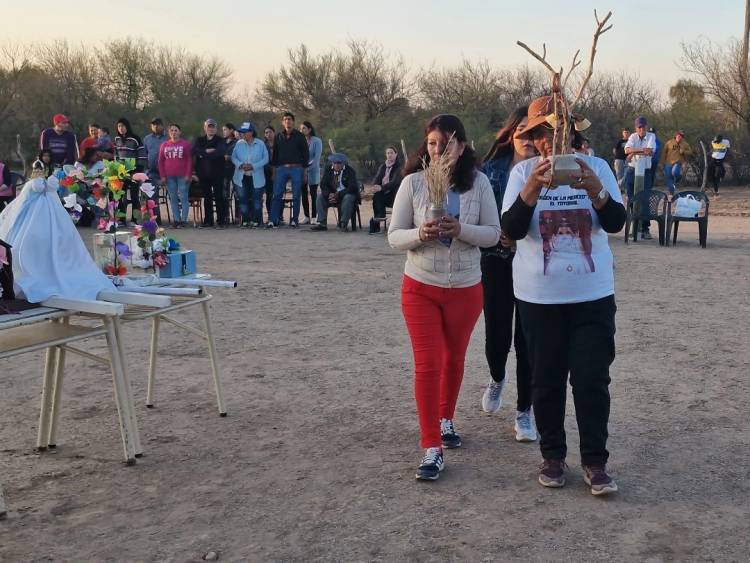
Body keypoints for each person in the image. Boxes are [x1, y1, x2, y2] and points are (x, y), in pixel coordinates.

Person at [502, 95, 626, 496]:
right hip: (539, 296)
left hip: (592, 293)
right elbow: (513, 229)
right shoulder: (523, 173)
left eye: (555, 132)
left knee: (592, 377)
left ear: (571, 132)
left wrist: (595, 189)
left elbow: (616, 222)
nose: (548, 141)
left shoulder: (600, 168)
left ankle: (595, 462)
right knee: (546, 379)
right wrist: (533, 190)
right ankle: (553, 455)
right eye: (541, 134)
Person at [388, 114, 500, 481]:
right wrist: (421, 233)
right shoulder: (413, 184)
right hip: (420, 286)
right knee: (428, 363)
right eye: (433, 143)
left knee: (454, 359)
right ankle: (431, 446)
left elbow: (493, 234)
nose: (439, 150)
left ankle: (445, 419)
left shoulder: (479, 184)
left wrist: (462, 229)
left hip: (466, 288)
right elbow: (394, 236)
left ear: (462, 146)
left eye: (447, 143)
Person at [478, 106, 536, 442]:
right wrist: (496, 232)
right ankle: (497, 377)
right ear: (510, 135)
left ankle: (524, 412)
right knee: (497, 336)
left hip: (532, 264)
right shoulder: (490, 172)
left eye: (534, 133)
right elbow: (481, 213)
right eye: (522, 132)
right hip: (497, 260)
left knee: (527, 339)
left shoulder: (548, 170)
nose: (527, 139)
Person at [268, 112, 309, 228]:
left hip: (297, 168)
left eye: (290, 119)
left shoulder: (300, 136)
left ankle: (294, 220)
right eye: (285, 119)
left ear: (293, 121)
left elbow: (306, 154)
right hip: (281, 169)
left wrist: (305, 172)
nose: (287, 121)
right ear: (282, 122)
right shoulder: (278, 136)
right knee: (277, 195)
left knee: (296, 195)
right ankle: (273, 220)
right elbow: (275, 155)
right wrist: (274, 172)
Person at [231, 122, 269, 228]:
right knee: (242, 199)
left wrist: (253, 166)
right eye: (241, 132)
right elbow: (233, 157)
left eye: (244, 132)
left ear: (251, 132)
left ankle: (257, 220)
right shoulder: (238, 144)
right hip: (241, 176)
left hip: (256, 176)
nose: (242, 134)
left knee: (257, 199)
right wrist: (240, 165)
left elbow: (265, 159)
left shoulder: (260, 144)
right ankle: (246, 220)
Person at [624, 116, 656, 239]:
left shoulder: (651, 136)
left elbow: (650, 151)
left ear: (646, 127)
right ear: (636, 128)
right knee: (631, 198)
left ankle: (645, 229)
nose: (641, 129)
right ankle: (635, 227)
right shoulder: (632, 136)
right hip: (633, 170)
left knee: (645, 199)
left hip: (646, 171)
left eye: (643, 127)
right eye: (639, 127)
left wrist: (633, 152)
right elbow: (626, 150)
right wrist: (633, 152)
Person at [193, 118, 227, 228]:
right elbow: (194, 151)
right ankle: (208, 220)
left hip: (218, 174)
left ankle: (221, 220)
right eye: (209, 126)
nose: (211, 129)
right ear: (205, 128)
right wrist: (206, 152)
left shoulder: (220, 140)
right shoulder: (199, 140)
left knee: (218, 197)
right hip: (203, 174)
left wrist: (203, 154)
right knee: (207, 198)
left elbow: (220, 152)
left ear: (216, 129)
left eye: (213, 127)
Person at [311, 153, 359, 232]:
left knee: (348, 198)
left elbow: (352, 187)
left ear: (343, 163)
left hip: (345, 195)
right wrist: (329, 194)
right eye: (335, 163)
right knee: (320, 197)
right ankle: (322, 223)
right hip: (332, 195)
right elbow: (323, 184)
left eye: (339, 163)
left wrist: (339, 194)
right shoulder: (328, 170)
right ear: (332, 162)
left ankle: (343, 223)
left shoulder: (350, 171)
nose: (336, 165)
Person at [158, 123, 193, 228]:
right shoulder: (164, 145)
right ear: (169, 133)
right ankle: (176, 220)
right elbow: (160, 161)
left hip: (182, 176)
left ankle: (184, 220)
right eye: (172, 130)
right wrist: (163, 176)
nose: (174, 132)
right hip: (169, 176)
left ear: (180, 132)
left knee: (183, 197)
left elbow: (190, 160)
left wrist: (188, 174)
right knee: (173, 198)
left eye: (176, 130)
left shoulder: (185, 144)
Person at [114, 117, 146, 224]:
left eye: (123, 126)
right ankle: (121, 219)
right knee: (120, 196)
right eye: (119, 126)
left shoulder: (135, 139)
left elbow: (141, 154)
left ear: (127, 126)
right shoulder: (117, 139)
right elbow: (116, 155)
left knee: (134, 196)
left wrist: (138, 170)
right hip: (121, 172)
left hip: (134, 172)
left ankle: (135, 219)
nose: (121, 128)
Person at [369, 146, 403, 234]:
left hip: (394, 195)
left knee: (380, 194)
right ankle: (377, 223)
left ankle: (379, 218)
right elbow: (377, 177)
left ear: (396, 154)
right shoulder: (383, 166)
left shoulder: (399, 167)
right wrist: (375, 186)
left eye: (391, 153)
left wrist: (381, 188)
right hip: (383, 194)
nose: (390, 155)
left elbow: (394, 182)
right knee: (376, 196)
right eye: (388, 153)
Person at [143, 118, 168, 222]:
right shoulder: (147, 139)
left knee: (154, 194)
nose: (156, 127)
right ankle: (154, 218)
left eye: (158, 124)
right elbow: (144, 155)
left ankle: (156, 218)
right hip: (151, 172)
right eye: (153, 125)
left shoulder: (167, 138)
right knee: (150, 193)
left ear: (162, 125)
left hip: (165, 172)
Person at [300, 121, 322, 225]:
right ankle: (306, 216)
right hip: (302, 171)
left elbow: (316, 157)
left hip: (313, 170)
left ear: (309, 129)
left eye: (304, 128)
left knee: (313, 194)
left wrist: (308, 168)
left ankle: (314, 216)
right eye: (301, 128)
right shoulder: (300, 140)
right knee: (304, 194)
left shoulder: (317, 141)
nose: (302, 130)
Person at [662, 130, 693, 196]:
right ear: (675, 135)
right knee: (669, 179)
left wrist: (684, 151)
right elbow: (664, 152)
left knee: (675, 172)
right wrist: (662, 162)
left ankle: (679, 179)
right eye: (679, 135)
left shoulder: (685, 144)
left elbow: (690, 152)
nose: (680, 137)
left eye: (681, 136)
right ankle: (671, 193)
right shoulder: (669, 142)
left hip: (678, 162)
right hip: (668, 163)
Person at [222, 123, 238, 223]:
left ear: (231, 130)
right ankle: (226, 216)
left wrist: (230, 157)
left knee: (237, 194)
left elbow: (240, 154)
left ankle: (237, 217)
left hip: (235, 170)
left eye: (225, 129)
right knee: (225, 194)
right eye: (223, 130)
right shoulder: (221, 142)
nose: (223, 131)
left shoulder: (237, 142)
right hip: (224, 170)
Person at [263, 125, 276, 218]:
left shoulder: (279, 144)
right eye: (266, 133)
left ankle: (279, 216)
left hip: (278, 172)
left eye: (270, 132)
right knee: (269, 194)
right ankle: (270, 215)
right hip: (266, 172)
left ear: (274, 133)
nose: (268, 134)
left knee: (278, 195)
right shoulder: (262, 145)